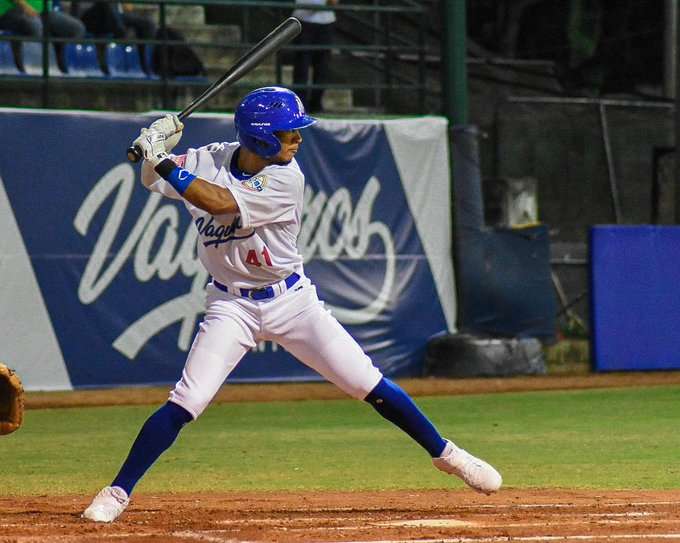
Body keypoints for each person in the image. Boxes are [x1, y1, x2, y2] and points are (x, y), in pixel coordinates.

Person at [82, 86, 502, 523]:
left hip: (292, 302)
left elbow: (219, 203)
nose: (298, 140)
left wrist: (161, 157)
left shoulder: (287, 178)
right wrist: (156, 145)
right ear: (261, 139)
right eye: (288, 133)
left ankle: (447, 454)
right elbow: (156, 181)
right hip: (231, 306)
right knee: (187, 400)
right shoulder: (210, 158)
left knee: (367, 382)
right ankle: (117, 491)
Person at [292, 0, 338, 112]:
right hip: (303, 20)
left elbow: (333, 2)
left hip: (326, 22)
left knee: (322, 66)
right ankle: (300, 104)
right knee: (302, 65)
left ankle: (316, 103)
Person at [0, 0, 84, 41]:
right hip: (10, 11)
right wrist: (25, 7)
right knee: (35, 25)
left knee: (77, 28)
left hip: (44, 12)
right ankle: (35, 67)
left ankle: (62, 65)